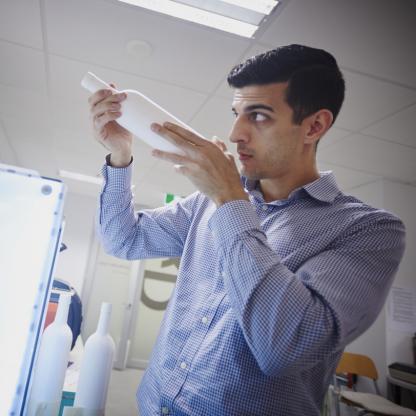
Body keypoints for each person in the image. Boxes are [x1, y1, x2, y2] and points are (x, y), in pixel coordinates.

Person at [88, 44, 405, 415]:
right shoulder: (207, 201)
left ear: (314, 125)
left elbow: (284, 348)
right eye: (237, 113)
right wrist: (120, 154)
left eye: (258, 116)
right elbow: (122, 239)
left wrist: (229, 199)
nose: (235, 133)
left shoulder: (368, 230)